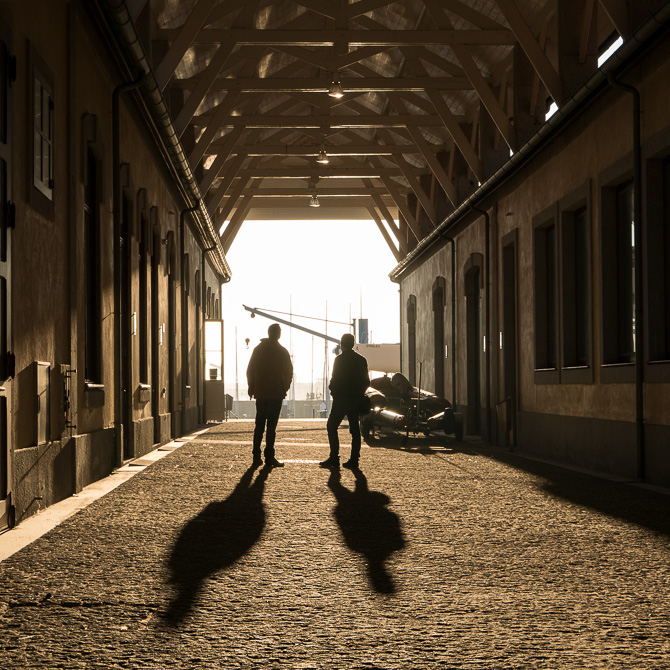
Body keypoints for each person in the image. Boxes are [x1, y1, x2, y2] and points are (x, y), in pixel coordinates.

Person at [320, 333, 370, 469]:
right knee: (355, 430)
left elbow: (334, 379)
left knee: (332, 426)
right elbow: (366, 382)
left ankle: (334, 457)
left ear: (342, 344)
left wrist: (334, 392)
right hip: (355, 400)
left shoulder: (339, 360)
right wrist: (358, 394)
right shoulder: (361, 360)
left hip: (341, 400)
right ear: (353, 344)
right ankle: (354, 459)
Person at [246, 323, 293, 467]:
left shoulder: (258, 349)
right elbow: (289, 372)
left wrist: (251, 387)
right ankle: (269, 457)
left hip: (261, 393)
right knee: (271, 428)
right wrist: (284, 388)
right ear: (278, 334)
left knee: (259, 426)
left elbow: (250, 370)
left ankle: (256, 456)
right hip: (276, 394)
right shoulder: (282, 351)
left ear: (268, 333)